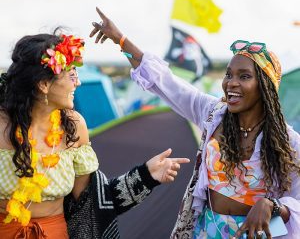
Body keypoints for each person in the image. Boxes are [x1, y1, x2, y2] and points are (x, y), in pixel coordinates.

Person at [90, 7, 300, 239]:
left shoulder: (288, 142)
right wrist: (121, 40)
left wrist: (272, 205)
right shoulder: (213, 114)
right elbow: (166, 83)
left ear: (266, 87)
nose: (231, 83)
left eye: (244, 76)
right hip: (206, 230)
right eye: (228, 74)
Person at [0, 32, 190, 238]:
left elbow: (93, 203)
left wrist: (146, 175)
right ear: (44, 84)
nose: (78, 83)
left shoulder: (73, 126)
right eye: (71, 75)